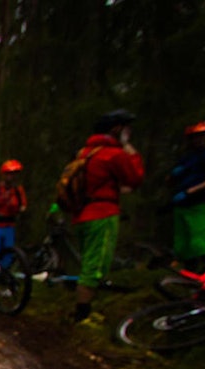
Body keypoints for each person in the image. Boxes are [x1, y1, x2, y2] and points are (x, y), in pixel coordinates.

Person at [68, 109, 144, 324]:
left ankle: (84, 309)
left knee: (88, 262)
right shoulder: (113, 154)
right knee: (95, 265)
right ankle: (82, 316)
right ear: (117, 129)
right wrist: (130, 148)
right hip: (102, 214)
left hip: (81, 214)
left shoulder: (84, 152)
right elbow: (135, 177)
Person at [168, 121, 205, 271]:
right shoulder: (189, 156)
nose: (199, 140)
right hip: (182, 204)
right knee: (183, 244)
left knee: (201, 241)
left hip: (199, 202)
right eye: (195, 137)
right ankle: (189, 273)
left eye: (202, 136)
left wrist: (190, 191)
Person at [0, 160, 28, 265]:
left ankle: (4, 273)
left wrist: (19, 209)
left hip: (9, 225)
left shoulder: (18, 190)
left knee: (8, 253)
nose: (12, 177)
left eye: (14, 174)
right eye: (9, 174)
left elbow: (23, 205)